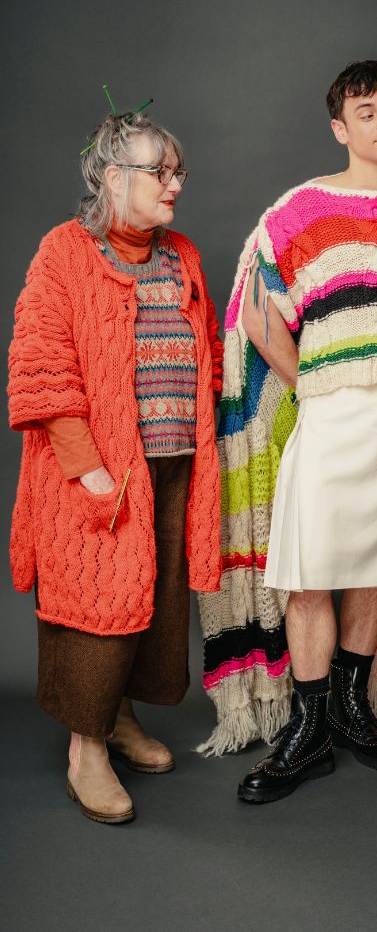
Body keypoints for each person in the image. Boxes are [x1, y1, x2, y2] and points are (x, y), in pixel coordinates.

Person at [204, 59, 377, 802]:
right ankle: (309, 727)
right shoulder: (298, 209)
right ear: (339, 127)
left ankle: (355, 709)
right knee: (308, 572)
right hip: (330, 412)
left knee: (376, 565)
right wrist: (312, 385)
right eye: (366, 111)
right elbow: (256, 308)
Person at [8, 108, 223, 824]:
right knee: (98, 606)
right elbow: (42, 363)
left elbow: (208, 354)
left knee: (152, 605)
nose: (173, 186)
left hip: (172, 465)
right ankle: (86, 750)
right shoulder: (62, 252)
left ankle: (121, 718)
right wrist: (86, 467)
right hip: (98, 472)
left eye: (177, 172)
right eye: (158, 172)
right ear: (111, 177)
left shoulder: (181, 254)